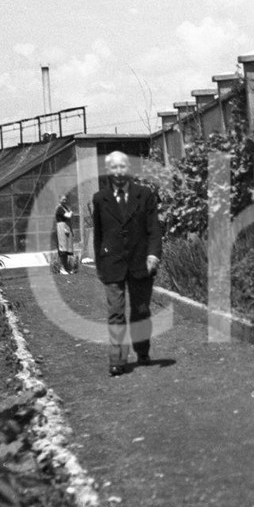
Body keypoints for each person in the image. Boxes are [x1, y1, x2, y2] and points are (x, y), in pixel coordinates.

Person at [91, 151, 163, 376]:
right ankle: (117, 359)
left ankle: (142, 351)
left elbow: (154, 230)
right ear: (108, 172)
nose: (119, 172)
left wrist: (153, 255)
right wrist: (100, 263)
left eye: (123, 167)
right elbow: (99, 235)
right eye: (114, 168)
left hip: (141, 263)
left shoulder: (145, 195)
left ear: (128, 169)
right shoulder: (100, 199)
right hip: (113, 264)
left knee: (141, 310)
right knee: (115, 313)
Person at [54, 193, 75, 274]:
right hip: (62, 228)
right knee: (62, 249)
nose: (64, 201)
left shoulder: (65, 207)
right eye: (63, 199)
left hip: (66, 228)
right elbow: (68, 215)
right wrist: (71, 212)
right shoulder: (59, 208)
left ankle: (66, 268)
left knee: (66, 250)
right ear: (59, 199)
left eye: (65, 199)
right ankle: (62, 268)